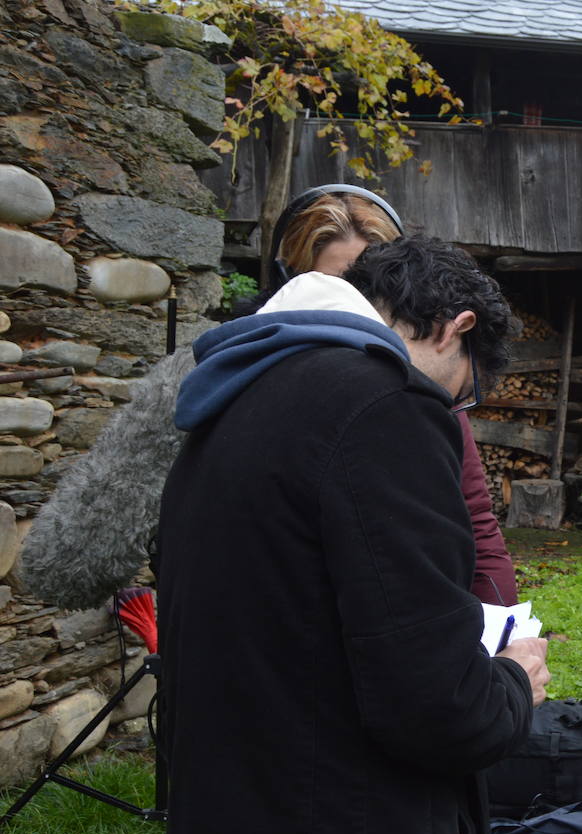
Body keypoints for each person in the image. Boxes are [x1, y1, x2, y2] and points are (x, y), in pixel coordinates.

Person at [157, 235, 550, 834]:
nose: (452, 412)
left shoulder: (238, 395)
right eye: (464, 396)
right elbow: (440, 709)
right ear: (459, 328)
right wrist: (514, 680)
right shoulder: (383, 406)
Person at [19, 184, 518, 611]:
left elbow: (474, 524)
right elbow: (69, 569)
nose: (358, 311)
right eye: (336, 287)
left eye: (376, 295)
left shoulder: (424, 391)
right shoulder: (210, 376)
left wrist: (500, 641)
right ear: (291, 284)